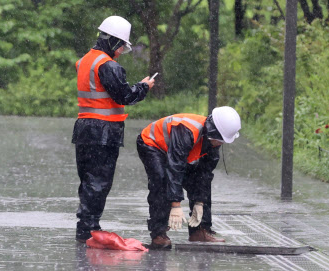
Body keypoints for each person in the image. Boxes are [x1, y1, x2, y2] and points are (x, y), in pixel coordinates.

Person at [72, 15, 155, 242]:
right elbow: (125, 96)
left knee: (88, 180)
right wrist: (144, 87)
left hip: (83, 129)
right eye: (121, 48)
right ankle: (89, 229)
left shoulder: (84, 61)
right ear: (115, 42)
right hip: (104, 131)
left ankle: (85, 226)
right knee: (99, 181)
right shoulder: (107, 65)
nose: (120, 52)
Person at [136, 106, 241, 249]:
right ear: (212, 131)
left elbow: (205, 174)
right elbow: (175, 167)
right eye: (219, 139)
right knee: (161, 181)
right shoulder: (186, 131)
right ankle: (158, 234)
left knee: (199, 181)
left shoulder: (213, 142)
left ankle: (199, 231)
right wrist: (176, 205)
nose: (220, 143)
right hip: (152, 144)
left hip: (175, 154)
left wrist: (200, 202)